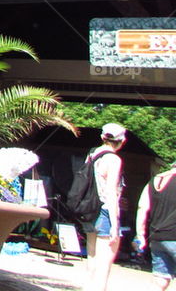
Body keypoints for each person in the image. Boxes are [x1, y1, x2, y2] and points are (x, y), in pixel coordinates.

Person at [84, 122, 127, 291]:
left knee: (92, 261)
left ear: (102, 137)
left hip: (89, 210)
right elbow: (111, 193)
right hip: (104, 212)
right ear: (122, 141)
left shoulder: (92, 155)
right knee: (104, 266)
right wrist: (115, 226)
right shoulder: (114, 159)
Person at [136, 161, 176, 290]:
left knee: (160, 280)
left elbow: (142, 208)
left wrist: (140, 235)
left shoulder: (155, 180)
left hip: (157, 238)